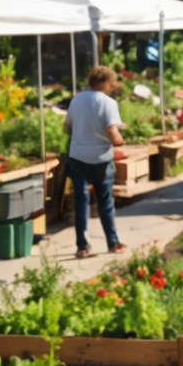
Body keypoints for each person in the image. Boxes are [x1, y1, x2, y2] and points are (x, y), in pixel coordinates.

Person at [63, 65, 129, 259]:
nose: (112, 87)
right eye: (111, 83)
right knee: (105, 202)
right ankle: (113, 242)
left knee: (81, 201)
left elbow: (68, 127)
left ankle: (82, 246)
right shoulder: (108, 103)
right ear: (105, 82)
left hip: (77, 158)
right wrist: (121, 139)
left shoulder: (77, 99)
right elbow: (113, 135)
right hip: (100, 159)